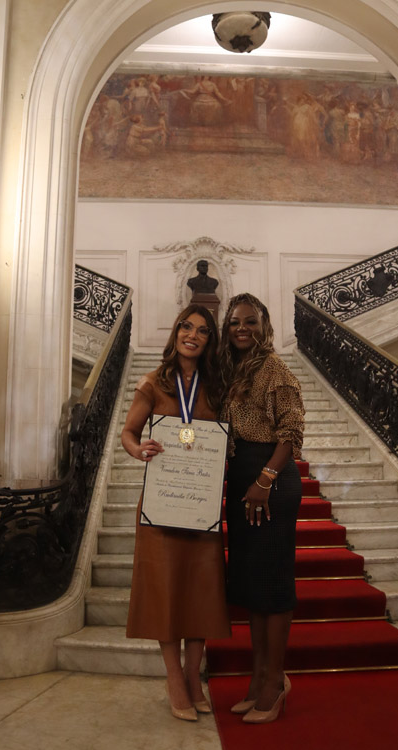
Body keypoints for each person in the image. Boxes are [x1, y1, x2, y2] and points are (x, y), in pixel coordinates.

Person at [122, 304, 230, 722]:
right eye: (187, 327)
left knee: (201, 590)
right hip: (162, 504)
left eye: (203, 331)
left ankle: (192, 674)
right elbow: (129, 433)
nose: (193, 335)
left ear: (209, 341)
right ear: (176, 332)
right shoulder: (153, 382)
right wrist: (139, 449)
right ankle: (174, 679)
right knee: (166, 591)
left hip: (201, 505)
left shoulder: (217, 387)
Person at [219, 293, 305, 724]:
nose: (241, 328)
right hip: (242, 479)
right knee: (252, 587)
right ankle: (257, 679)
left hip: (270, 479)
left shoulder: (275, 369)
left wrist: (265, 481)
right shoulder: (233, 371)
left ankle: (275, 681)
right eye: (235, 321)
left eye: (250, 322)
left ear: (264, 326)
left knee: (273, 584)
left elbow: (291, 431)